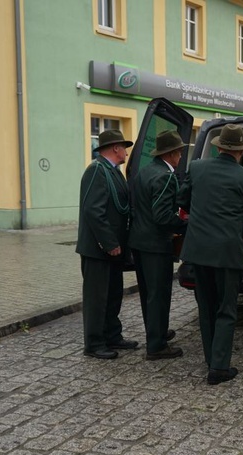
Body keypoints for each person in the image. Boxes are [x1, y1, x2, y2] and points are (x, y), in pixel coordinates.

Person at [178, 124, 243, 385]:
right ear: (240, 151)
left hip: (198, 251)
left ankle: (210, 358)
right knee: (226, 308)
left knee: (206, 306)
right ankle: (219, 368)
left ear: (220, 147)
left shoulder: (197, 168)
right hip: (228, 252)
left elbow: (182, 199)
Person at [76, 129, 140, 360]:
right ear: (115, 148)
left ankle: (112, 335)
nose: (126, 151)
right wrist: (109, 242)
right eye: (124, 147)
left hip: (113, 249)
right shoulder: (96, 170)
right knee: (97, 298)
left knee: (113, 295)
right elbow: (94, 211)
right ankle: (93, 344)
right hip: (98, 249)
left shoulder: (113, 172)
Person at [128, 130, 187, 360]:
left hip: (140, 242)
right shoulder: (165, 176)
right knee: (159, 294)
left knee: (148, 293)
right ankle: (156, 345)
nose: (181, 157)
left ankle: (157, 331)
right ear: (171, 154)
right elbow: (162, 216)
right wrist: (183, 224)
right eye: (180, 153)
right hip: (155, 244)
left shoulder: (145, 171)